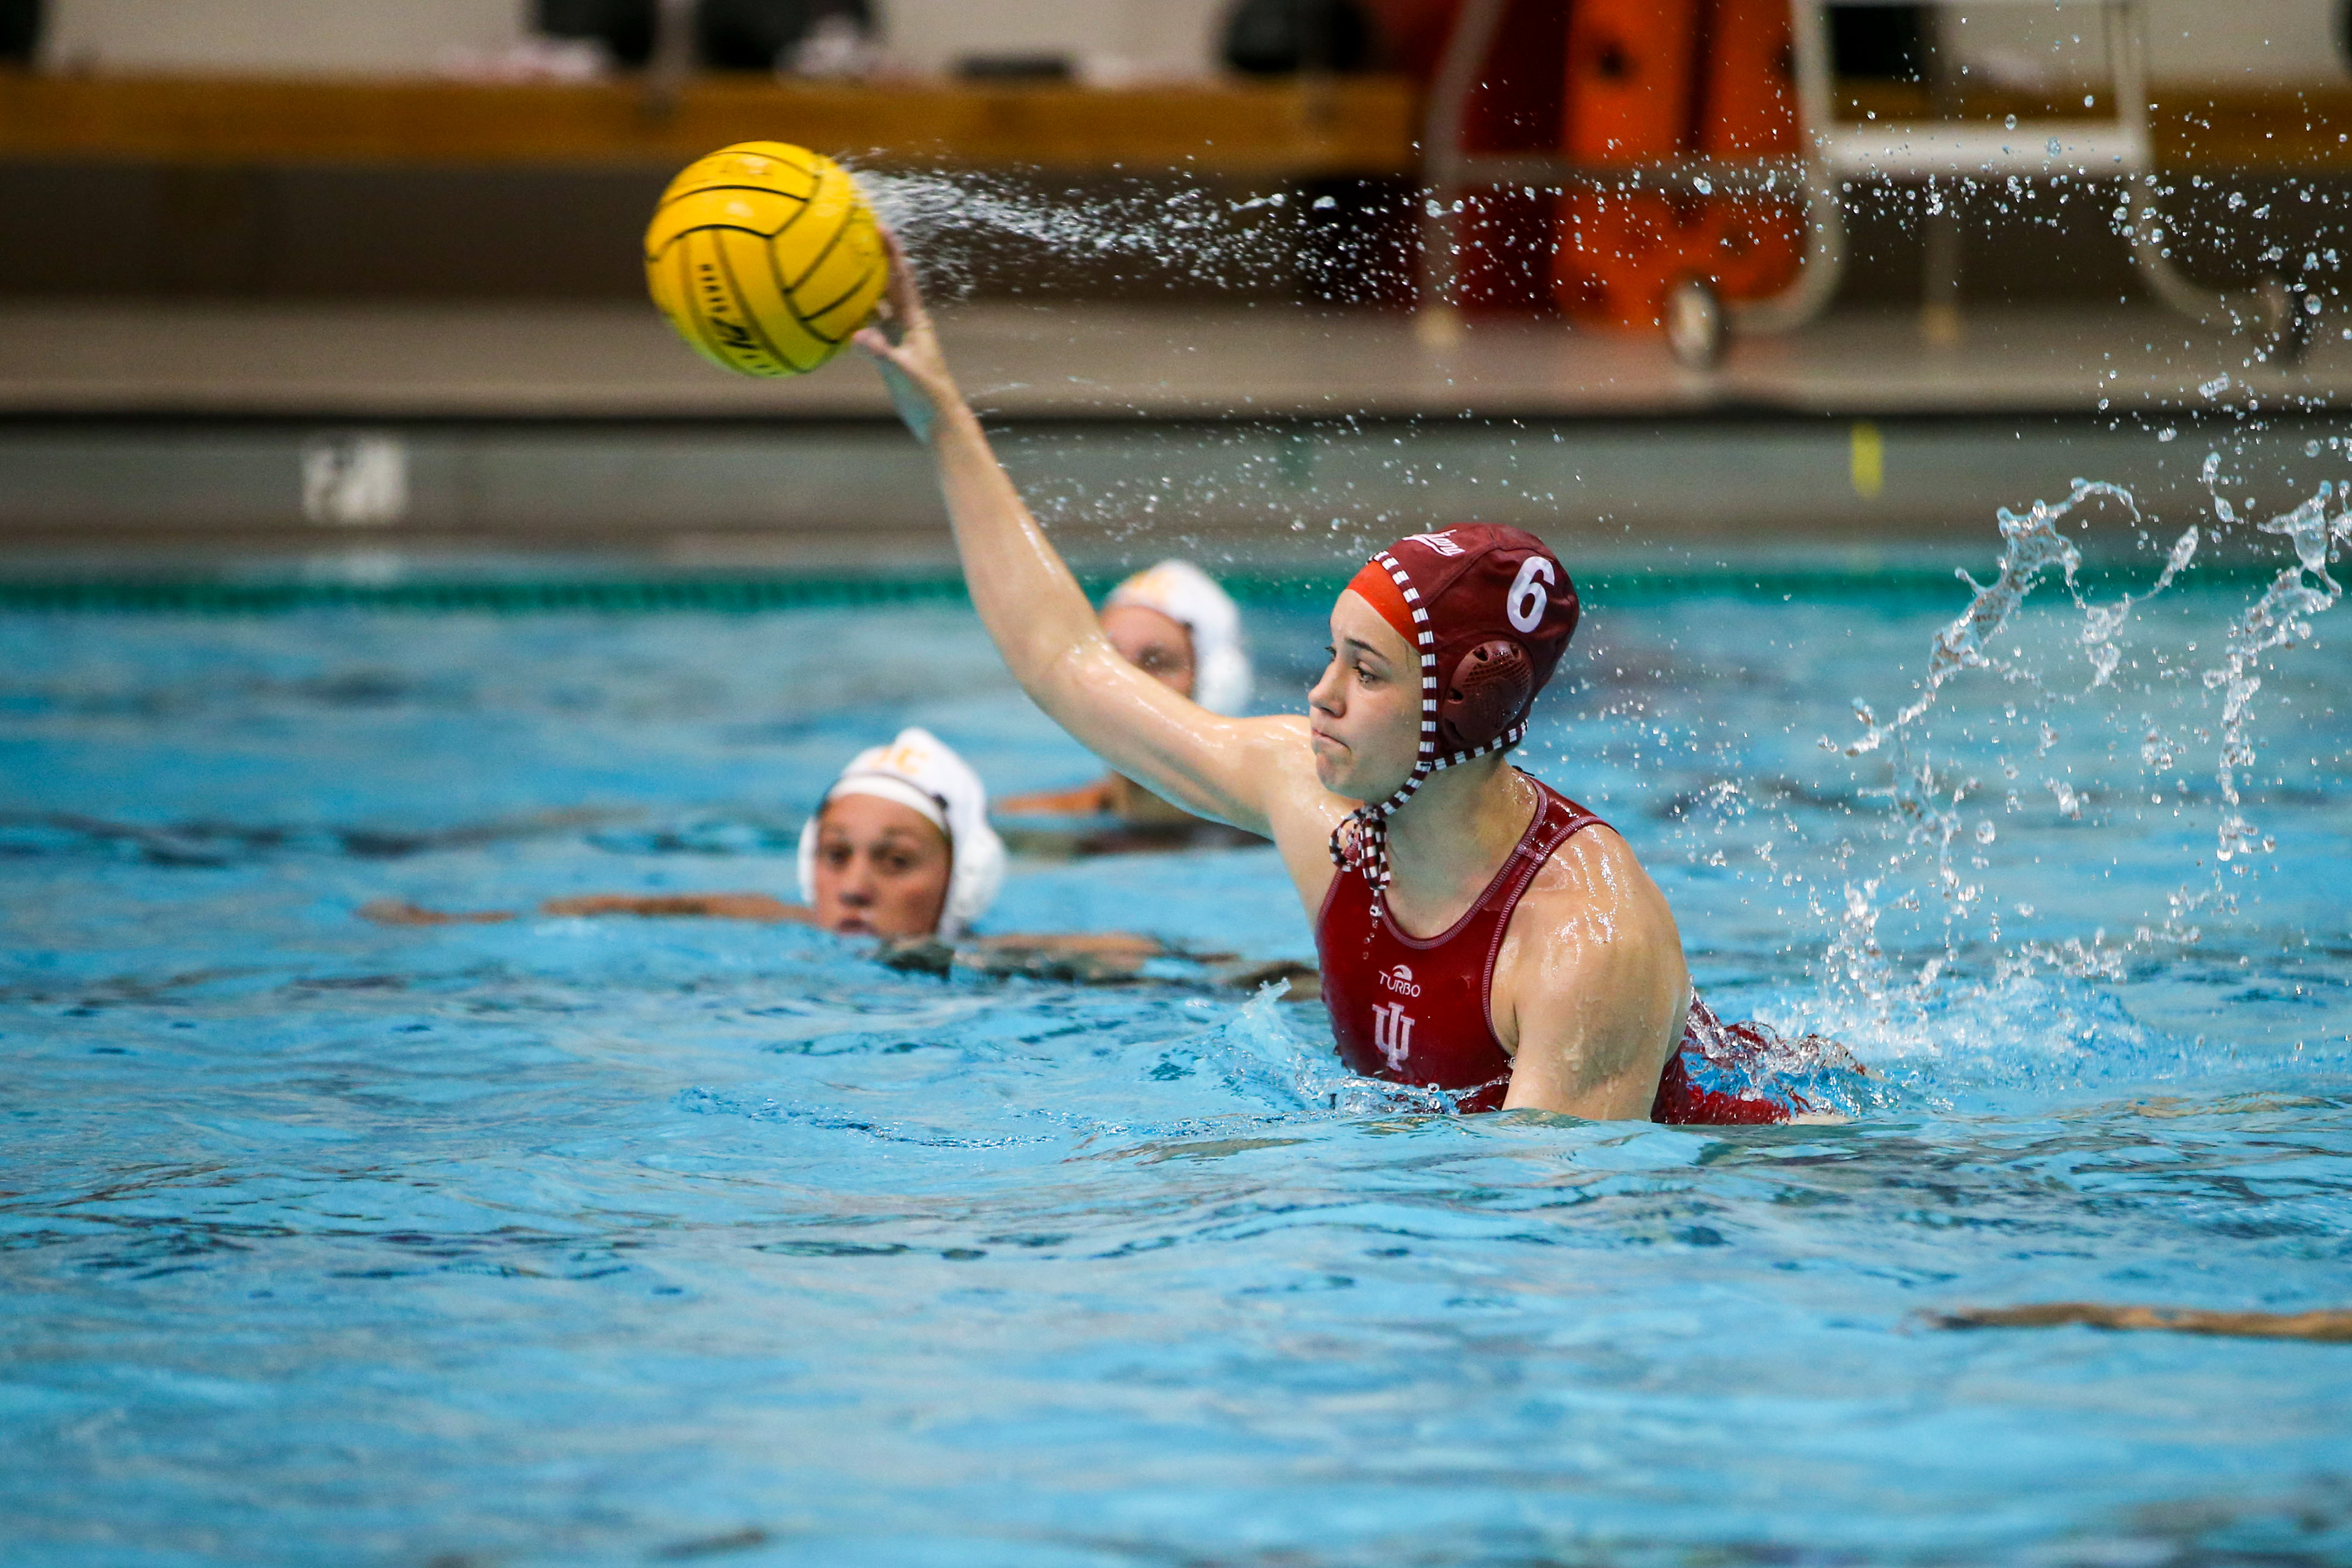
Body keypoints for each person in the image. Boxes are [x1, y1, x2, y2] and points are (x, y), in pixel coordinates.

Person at [855, 230, 1845, 1122]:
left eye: (1364, 671)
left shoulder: (1586, 940)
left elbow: (1546, 1249)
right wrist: (941, 418)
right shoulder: (1312, 800)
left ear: (1469, 703)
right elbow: (1066, 665)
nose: (1320, 696)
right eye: (1331, 656)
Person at [360, 727, 1213, 982]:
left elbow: (1165, 959)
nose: (853, 887)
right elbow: (625, 907)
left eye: (894, 861)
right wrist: (452, 922)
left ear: (963, 883)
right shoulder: (766, 922)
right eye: (836, 855)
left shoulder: (1000, 962)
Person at [998, 559, 1254, 829]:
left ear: (1214, 687)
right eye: (1108, 659)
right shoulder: (1029, 826)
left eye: (1156, 662)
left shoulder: (1270, 838)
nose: (1123, 682)